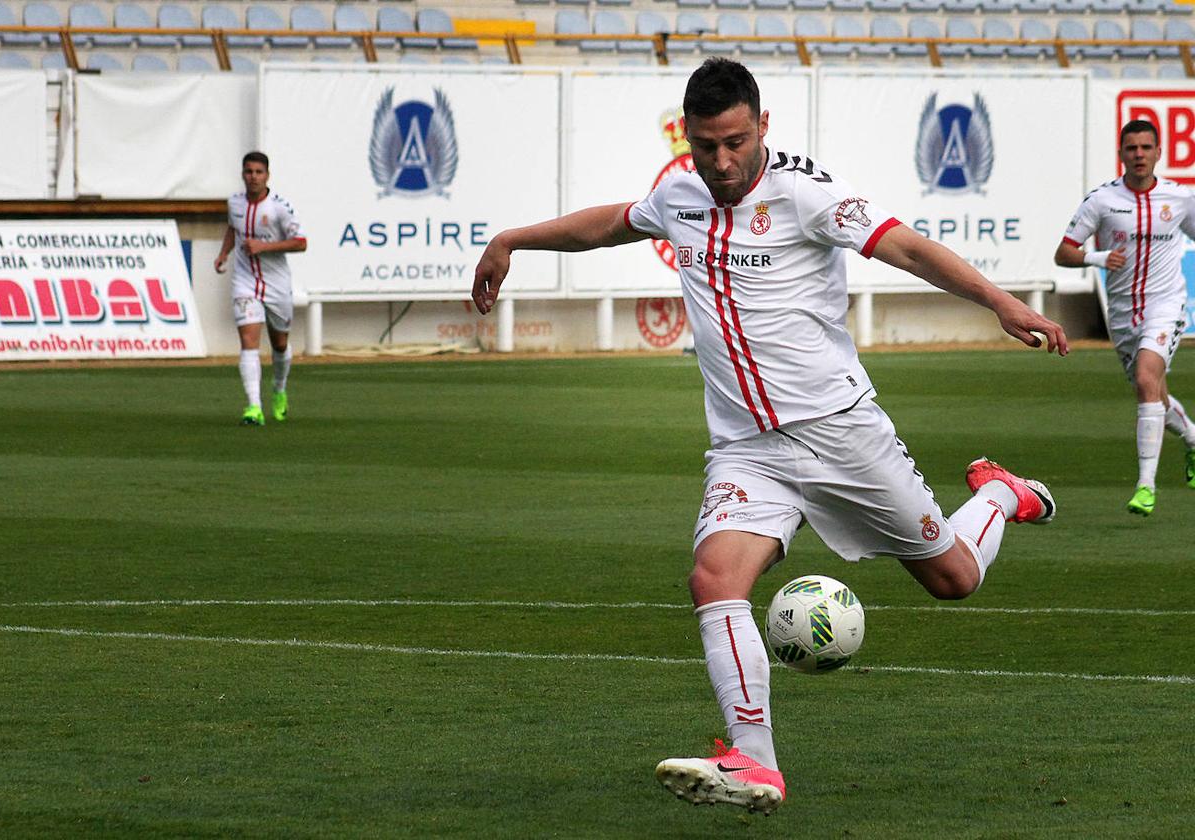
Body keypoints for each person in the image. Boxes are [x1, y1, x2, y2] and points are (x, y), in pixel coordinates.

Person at [472, 59, 1067, 815]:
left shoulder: (806, 194)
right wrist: (512, 240)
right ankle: (755, 764)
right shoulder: (678, 192)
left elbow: (907, 247)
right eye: (704, 145)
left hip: (841, 434)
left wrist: (1001, 304)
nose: (721, 161)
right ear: (686, 137)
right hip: (746, 446)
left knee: (953, 579)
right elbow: (612, 223)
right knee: (714, 581)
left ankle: (999, 497)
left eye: (735, 142)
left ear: (763, 128)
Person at [1055, 119, 1195, 516]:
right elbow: (1063, 252)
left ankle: (1145, 486)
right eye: (1131, 148)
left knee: (1148, 380)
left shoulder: (1179, 198)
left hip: (1166, 306)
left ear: (1158, 152)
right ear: (1121, 154)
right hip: (1122, 316)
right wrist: (1097, 257)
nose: (1139, 155)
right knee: (1153, 394)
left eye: (1146, 148)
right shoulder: (1101, 201)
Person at [214, 151, 307, 426]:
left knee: (280, 344)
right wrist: (224, 254)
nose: (253, 177)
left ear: (267, 175)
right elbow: (233, 228)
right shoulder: (234, 203)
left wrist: (264, 247)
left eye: (258, 172)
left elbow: (301, 242)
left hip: (276, 284)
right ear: (242, 174)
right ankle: (253, 406)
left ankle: (279, 389)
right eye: (248, 171)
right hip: (245, 282)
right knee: (248, 341)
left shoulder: (279, 208)